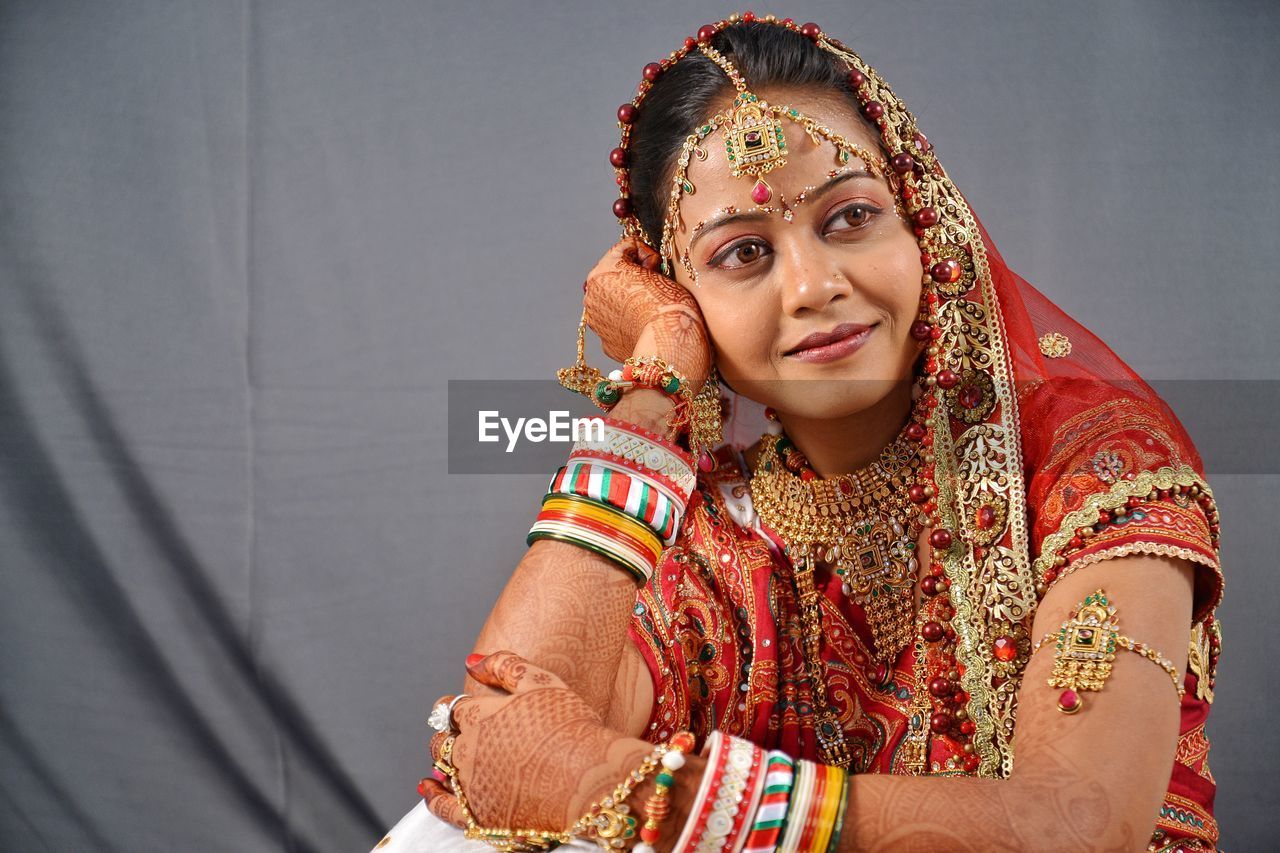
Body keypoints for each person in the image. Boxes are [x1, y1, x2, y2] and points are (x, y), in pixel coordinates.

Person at [375, 14, 1223, 852]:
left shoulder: (1095, 460)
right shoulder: (716, 535)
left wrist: (635, 795)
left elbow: (1076, 824)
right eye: (743, 253)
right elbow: (495, 748)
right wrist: (655, 382)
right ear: (686, 296)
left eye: (850, 217)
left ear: (925, 220)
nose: (815, 285)